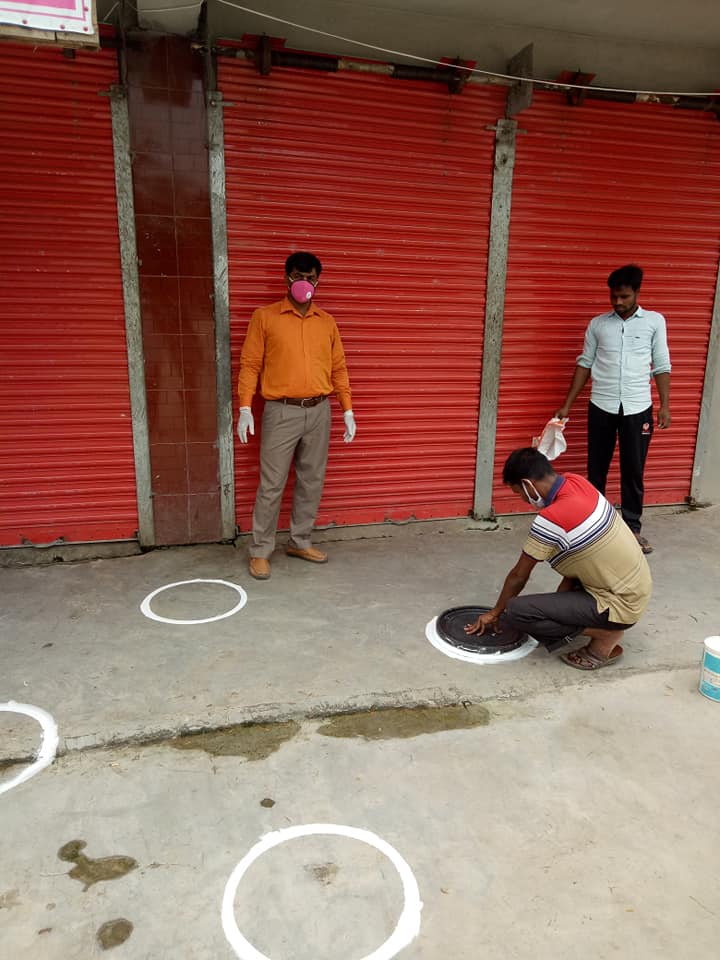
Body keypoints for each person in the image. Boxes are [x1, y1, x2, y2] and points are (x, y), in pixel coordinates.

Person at [465, 448, 652, 671]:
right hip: (635, 589)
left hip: (620, 604)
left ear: (528, 485)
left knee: (515, 611)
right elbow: (577, 561)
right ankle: (594, 623)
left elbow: (519, 576)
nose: (523, 499)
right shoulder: (577, 482)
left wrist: (495, 613)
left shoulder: (551, 518)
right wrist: (558, 606)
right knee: (554, 602)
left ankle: (605, 635)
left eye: (519, 493)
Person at [236, 252, 356, 580]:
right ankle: (260, 550)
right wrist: (245, 407)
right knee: (272, 484)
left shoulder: (326, 322)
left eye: (311, 277)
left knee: (311, 480)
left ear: (318, 280)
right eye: (298, 276)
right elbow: (250, 364)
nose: (305, 283)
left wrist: (347, 408)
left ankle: (299, 541)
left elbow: (338, 367)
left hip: (319, 410)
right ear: (287, 278)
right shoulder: (265, 317)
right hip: (281, 411)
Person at [554, 264, 671, 554]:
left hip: (638, 407)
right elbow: (585, 363)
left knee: (634, 469)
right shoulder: (598, 325)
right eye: (614, 297)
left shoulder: (654, 322)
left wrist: (665, 405)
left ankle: (632, 528)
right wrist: (567, 404)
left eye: (624, 297)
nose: (618, 302)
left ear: (637, 293)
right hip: (601, 405)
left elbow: (661, 364)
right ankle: (595, 526)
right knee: (597, 469)